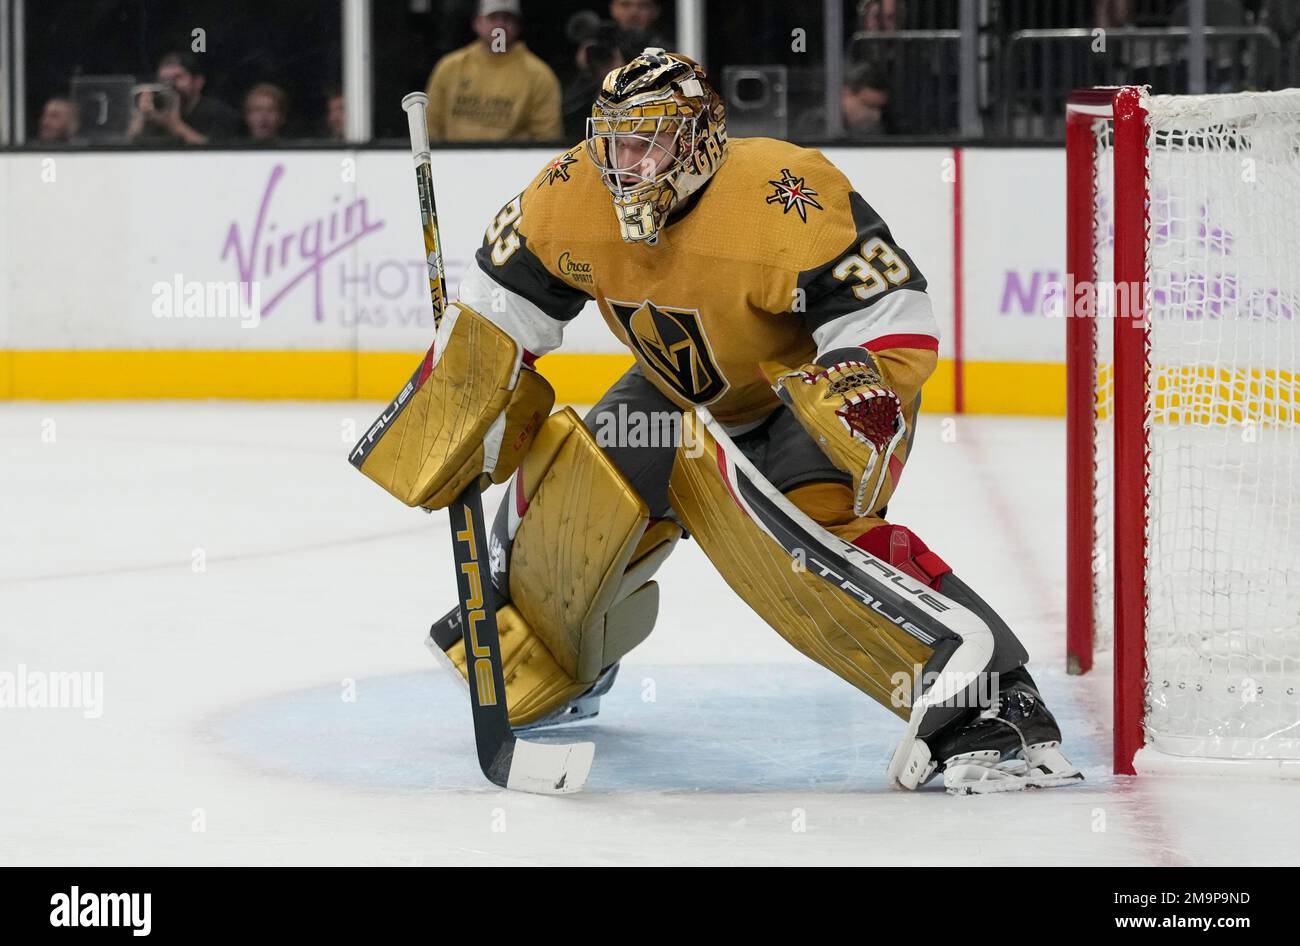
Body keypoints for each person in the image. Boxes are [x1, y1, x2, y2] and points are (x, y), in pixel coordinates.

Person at [361, 49, 1083, 794]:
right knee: (571, 501)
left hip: (799, 394)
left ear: (702, 137)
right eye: (613, 139)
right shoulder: (567, 192)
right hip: (674, 396)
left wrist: (850, 394)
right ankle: (555, 663)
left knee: (805, 540)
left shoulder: (782, 191)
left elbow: (890, 314)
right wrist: (466, 404)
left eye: (648, 139)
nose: (623, 162)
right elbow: (499, 320)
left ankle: (994, 703)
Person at [422, 0, 562, 142]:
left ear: (518, 26)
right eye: (493, 17)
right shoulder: (449, 67)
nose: (500, 25)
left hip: (513, 162)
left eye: (507, 18)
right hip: (451, 160)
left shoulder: (539, 75)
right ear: (477, 23)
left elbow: (547, 140)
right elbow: (430, 128)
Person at [129, 51, 241, 145]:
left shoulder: (218, 112)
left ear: (198, 82)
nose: (169, 84)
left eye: (178, 77)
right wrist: (140, 118)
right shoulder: (156, 111)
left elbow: (217, 154)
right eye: (163, 79)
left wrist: (173, 125)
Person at [561, 13, 625, 142]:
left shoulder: (633, 69)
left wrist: (620, 76)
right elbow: (566, 112)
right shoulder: (569, 75)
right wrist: (586, 75)